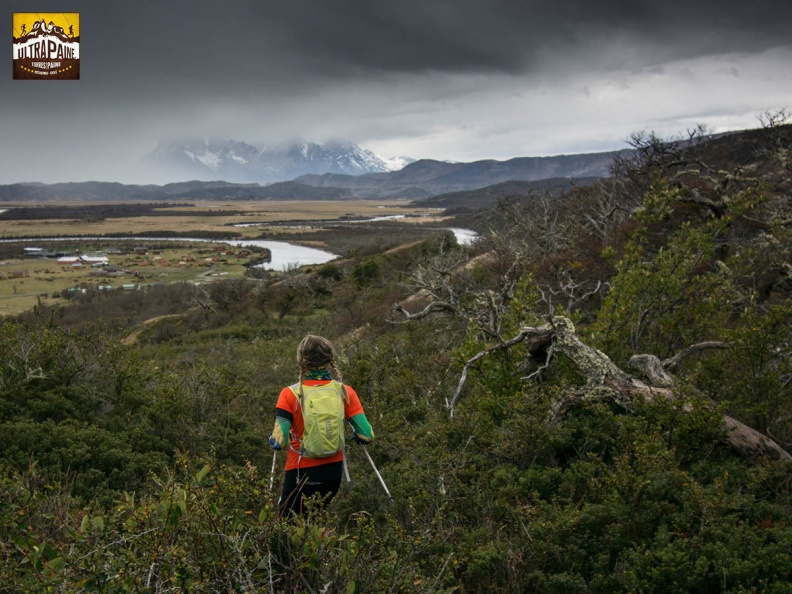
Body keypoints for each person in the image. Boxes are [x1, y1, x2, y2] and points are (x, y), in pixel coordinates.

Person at [269, 334, 374, 516]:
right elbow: (366, 435)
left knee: (286, 530)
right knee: (316, 522)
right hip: (333, 473)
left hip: (300, 472)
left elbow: (280, 441)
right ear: (330, 358)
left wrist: (273, 439)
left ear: (301, 359)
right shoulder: (345, 391)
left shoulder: (289, 394)